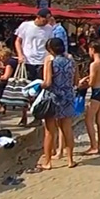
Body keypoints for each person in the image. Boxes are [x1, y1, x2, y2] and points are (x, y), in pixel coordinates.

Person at [36, 37, 77, 170]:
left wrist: (36, 86)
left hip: (53, 97)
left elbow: (47, 82)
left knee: (50, 131)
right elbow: (76, 80)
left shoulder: (50, 60)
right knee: (67, 129)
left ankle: (47, 162)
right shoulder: (71, 59)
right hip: (68, 96)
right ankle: (70, 159)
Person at [79, 41, 100, 156]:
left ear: (92, 49)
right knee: (99, 121)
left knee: (88, 120)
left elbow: (91, 83)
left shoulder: (94, 64)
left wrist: (81, 84)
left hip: (96, 92)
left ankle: (93, 146)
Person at [15, 8, 55, 82]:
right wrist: (20, 55)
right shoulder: (25, 25)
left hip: (42, 62)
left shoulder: (49, 29)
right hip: (28, 61)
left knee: (39, 84)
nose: (46, 22)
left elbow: (50, 44)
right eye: (44, 20)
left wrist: (49, 58)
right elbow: (18, 41)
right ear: (38, 17)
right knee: (26, 83)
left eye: (48, 20)